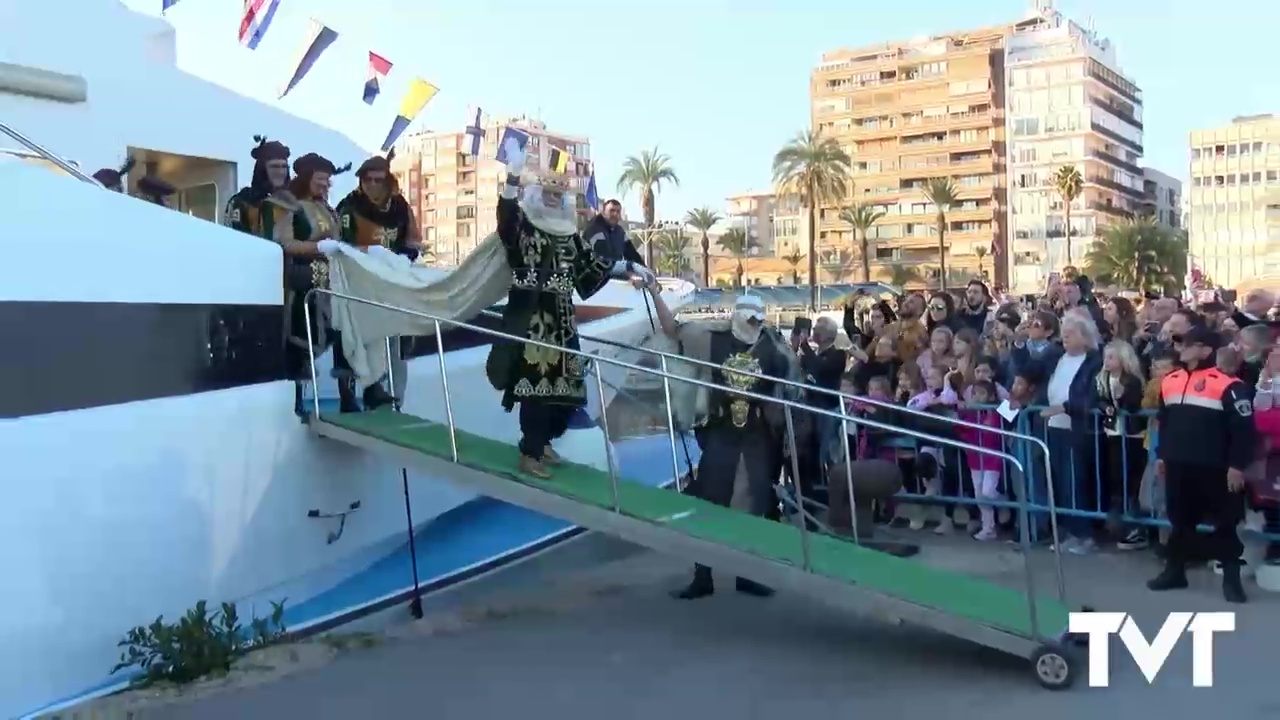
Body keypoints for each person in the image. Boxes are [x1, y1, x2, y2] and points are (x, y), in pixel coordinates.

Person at [485, 135, 648, 477]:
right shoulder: (524, 228)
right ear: (535, 194)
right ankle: (529, 453)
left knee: (569, 390)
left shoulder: (569, 235)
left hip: (563, 323)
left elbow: (594, 265)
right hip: (533, 322)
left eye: (559, 193)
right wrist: (512, 179)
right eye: (548, 191)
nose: (554, 197)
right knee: (536, 389)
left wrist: (630, 267)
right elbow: (506, 218)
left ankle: (544, 443)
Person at [646, 290, 795, 599]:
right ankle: (703, 575)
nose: (753, 324)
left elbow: (791, 383)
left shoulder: (772, 345)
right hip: (720, 430)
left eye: (757, 319)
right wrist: (652, 290)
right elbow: (672, 328)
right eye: (748, 318)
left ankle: (747, 573)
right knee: (710, 501)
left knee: (754, 502)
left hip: (755, 433)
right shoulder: (712, 340)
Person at [1147, 326, 1256, 603]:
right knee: (1179, 521)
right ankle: (1175, 572)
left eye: (1187, 342)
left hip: (1216, 468)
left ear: (1206, 349)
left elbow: (1243, 430)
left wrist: (1237, 466)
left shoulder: (1228, 385)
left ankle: (1231, 580)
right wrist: (1162, 454)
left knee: (1225, 524)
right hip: (1179, 464)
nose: (1181, 346)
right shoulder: (1170, 380)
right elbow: (1165, 421)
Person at [334, 150, 420, 412]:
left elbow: (413, 240)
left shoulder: (401, 207)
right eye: (367, 180)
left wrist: (406, 255)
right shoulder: (349, 208)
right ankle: (355, 394)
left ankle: (392, 399)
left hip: (393, 280)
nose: (372, 185)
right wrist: (368, 255)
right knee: (358, 336)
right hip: (359, 281)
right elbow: (341, 247)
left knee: (396, 338)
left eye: (378, 180)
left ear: (388, 181)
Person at [278, 152, 353, 412]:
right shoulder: (291, 206)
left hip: (332, 283)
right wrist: (318, 246)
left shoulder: (327, 208)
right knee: (301, 340)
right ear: (307, 178)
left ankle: (348, 396)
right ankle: (297, 400)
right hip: (304, 283)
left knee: (344, 334)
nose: (326, 185)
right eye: (321, 179)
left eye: (328, 180)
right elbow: (284, 243)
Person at [225, 135, 293, 238]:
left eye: (284, 166)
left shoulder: (294, 201)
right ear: (262, 169)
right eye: (274, 166)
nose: (280, 172)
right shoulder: (242, 202)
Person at [582, 199, 645, 267]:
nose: (615, 214)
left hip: (615, 272)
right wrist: (626, 270)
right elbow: (603, 258)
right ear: (603, 212)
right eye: (612, 211)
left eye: (618, 212)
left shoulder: (620, 231)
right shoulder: (594, 229)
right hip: (597, 274)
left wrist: (644, 268)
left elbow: (632, 254)